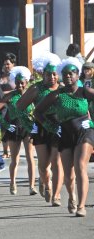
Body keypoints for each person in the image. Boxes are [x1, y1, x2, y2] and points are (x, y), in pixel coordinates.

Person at [34, 57, 91, 217]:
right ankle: (71, 196)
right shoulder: (57, 94)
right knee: (68, 173)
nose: (68, 76)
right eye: (65, 74)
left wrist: (92, 122)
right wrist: (51, 126)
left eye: (71, 73)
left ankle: (81, 205)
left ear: (77, 75)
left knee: (80, 166)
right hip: (64, 134)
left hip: (84, 132)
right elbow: (38, 111)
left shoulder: (84, 91)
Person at [16, 52, 67, 206]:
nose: (52, 77)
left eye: (54, 74)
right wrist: (30, 125)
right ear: (42, 75)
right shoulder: (36, 89)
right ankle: (44, 181)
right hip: (41, 127)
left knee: (57, 163)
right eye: (48, 74)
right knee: (44, 166)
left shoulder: (63, 88)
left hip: (58, 127)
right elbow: (19, 107)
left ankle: (56, 194)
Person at [0, 66, 37, 195]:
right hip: (14, 128)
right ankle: (12, 183)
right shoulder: (10, 96)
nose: (19, 85)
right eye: (17, 83)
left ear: (26, 82)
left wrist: (35, 122)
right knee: (15, 159)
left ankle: (32, 186)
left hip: (28, 128)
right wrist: (5, 124)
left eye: (22, 83)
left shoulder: (32, 95)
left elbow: (39, 108)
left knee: (30, 158)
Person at [0, 53, 17, 159]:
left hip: (13, 104)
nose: (6, 66)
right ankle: (5, 151)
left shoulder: (15, 77)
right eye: (5, 64)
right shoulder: (0, 77)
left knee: (13, 127)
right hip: (3, 105)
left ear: (13, 64)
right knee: (4, 127)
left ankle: (14, 149)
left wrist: (5, 93)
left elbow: (17, 90)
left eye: (8, 64)